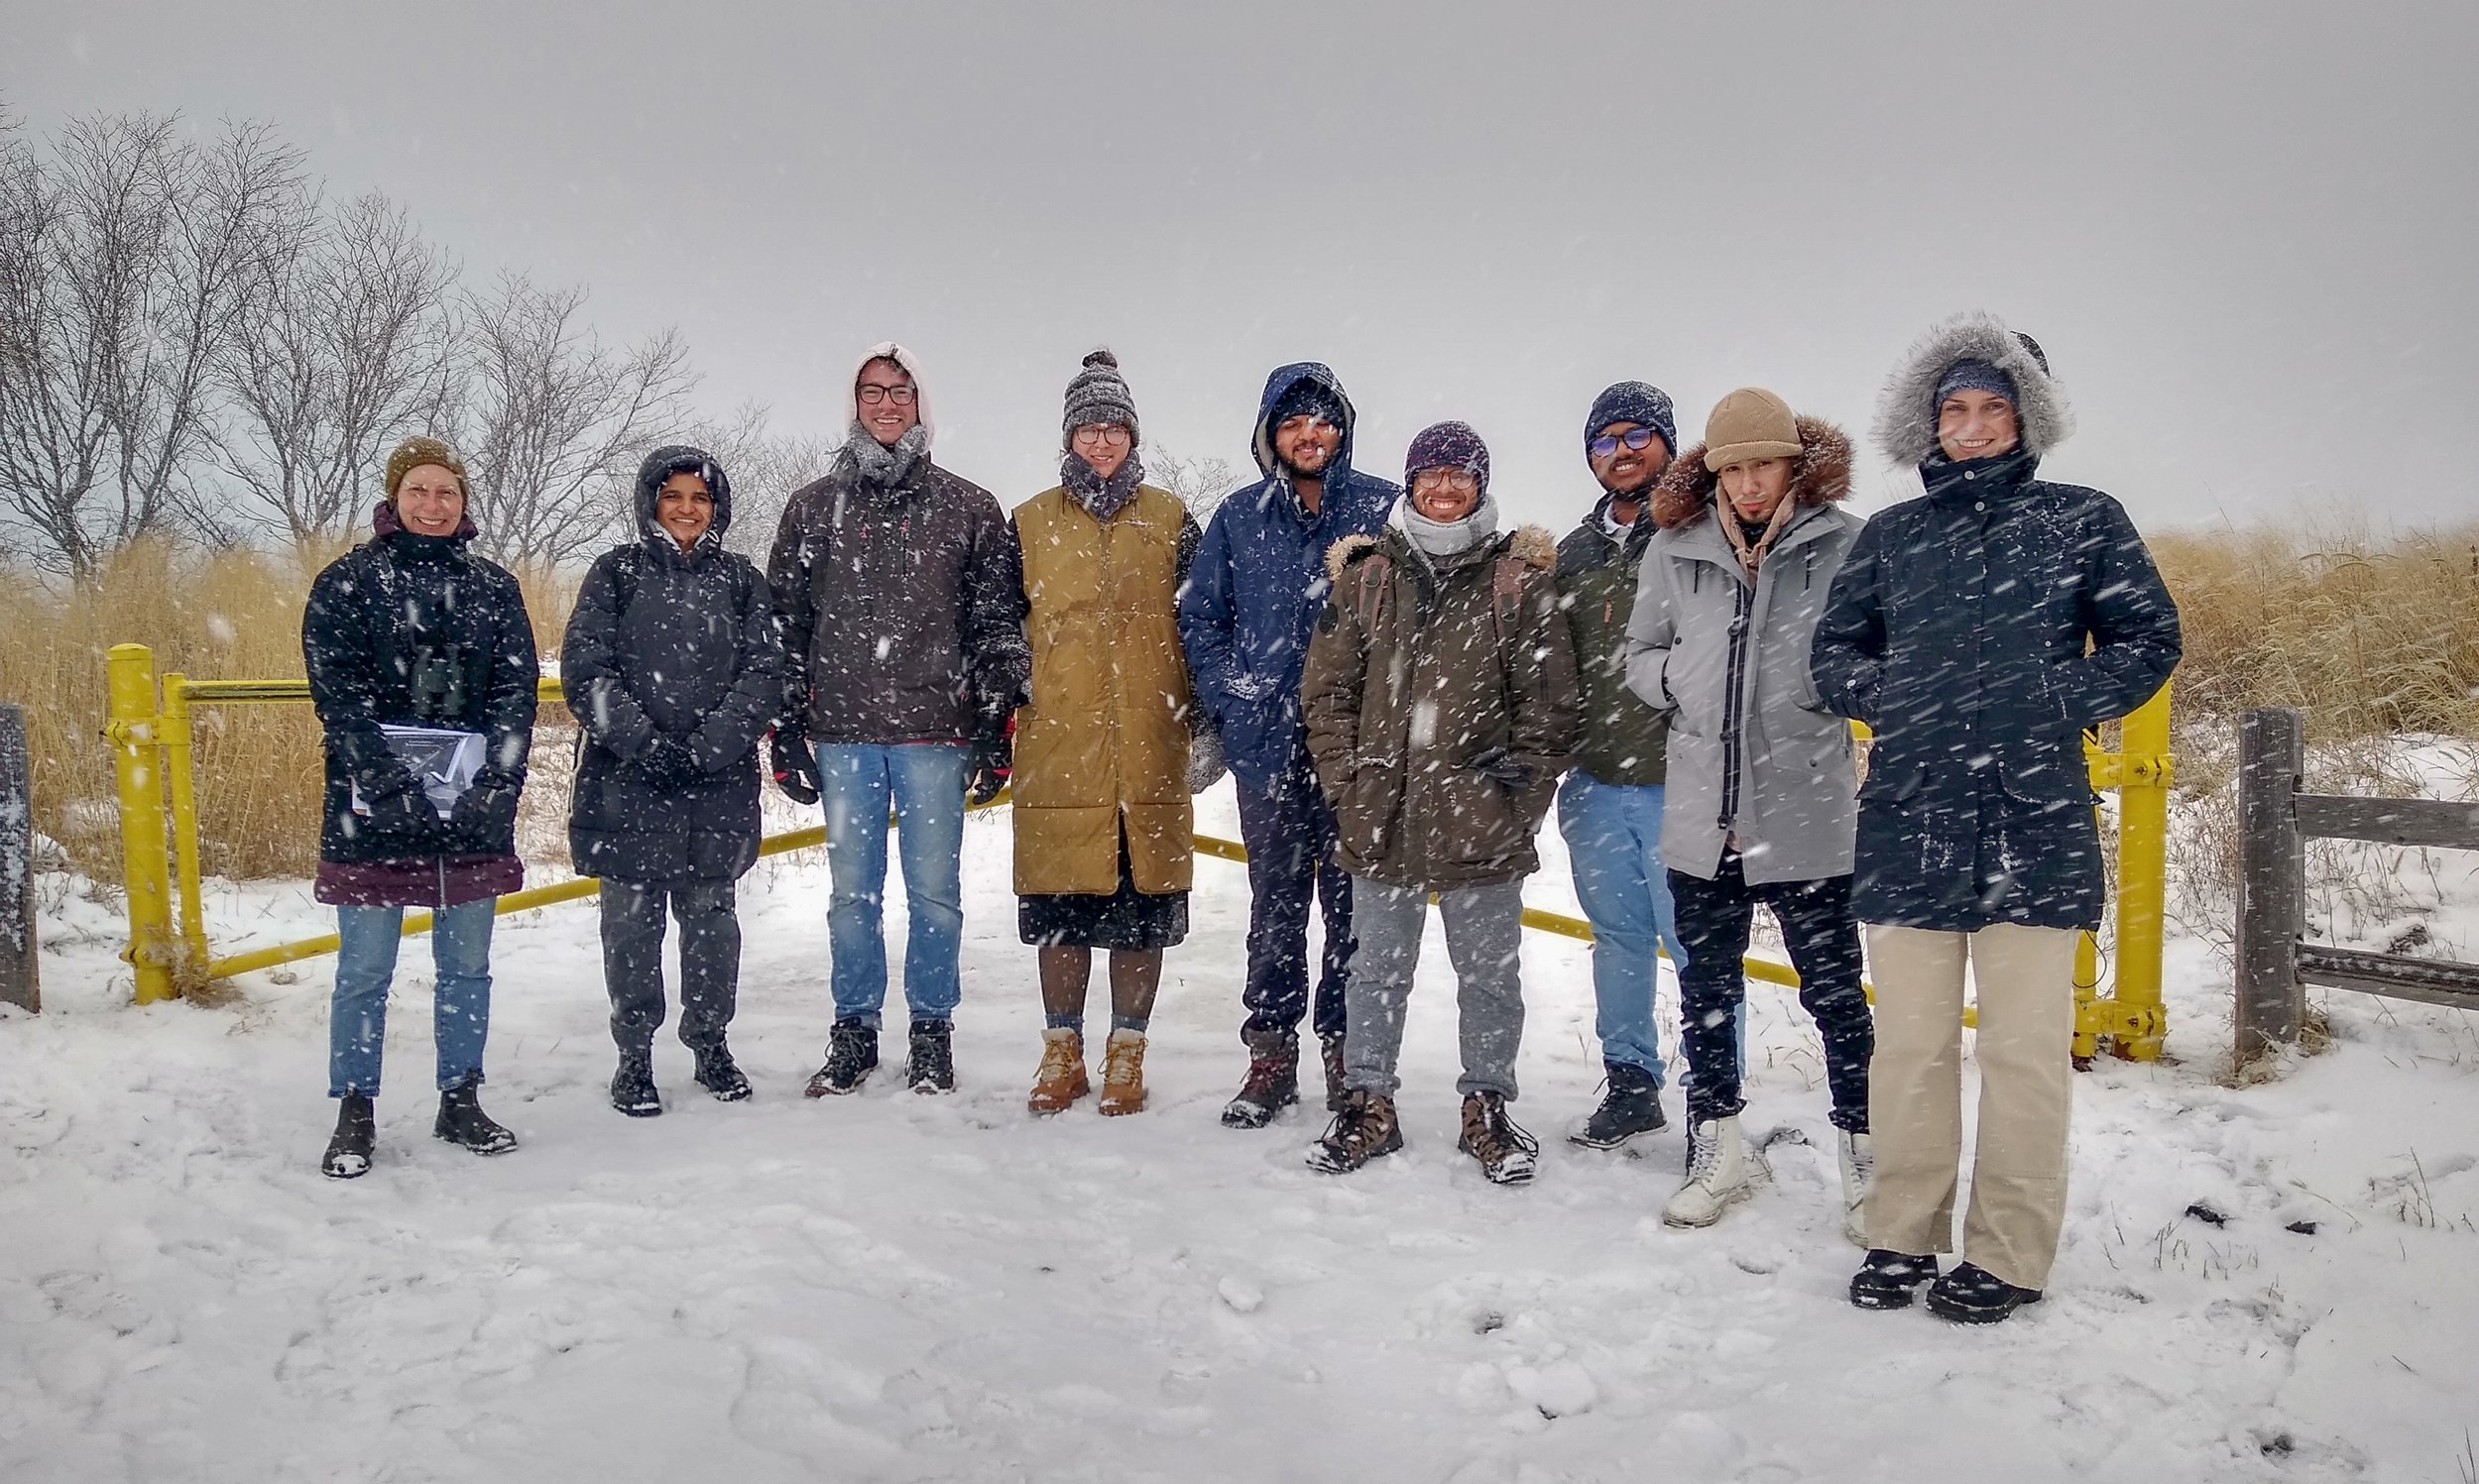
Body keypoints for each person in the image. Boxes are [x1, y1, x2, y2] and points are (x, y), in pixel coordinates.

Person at [1815, 314, 2180, 1322]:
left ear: (2027, 419)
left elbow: (2150, 635)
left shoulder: (2084, 521)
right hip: (1909, 823)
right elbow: (1833, 654)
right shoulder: (1891, 538)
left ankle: (2010, 1254)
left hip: (2035, 822)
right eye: (1954, 411)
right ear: (1925, 424)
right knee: (1911, 1048)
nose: (1971, 428)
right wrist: (1893, 696)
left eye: (1991, 409)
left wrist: (2057, 699)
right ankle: (1901, 1235)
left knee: (2022, 1054)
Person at [1300, 421, 1579, 1184]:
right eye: (1431, 474)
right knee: (1375, 971)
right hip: (1381, 816)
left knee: (1489, 975)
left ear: (1480, 484)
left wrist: (1513, 799)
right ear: (1411, 484)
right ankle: (1369, 1104)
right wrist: (1350, 788)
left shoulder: (1518, 580)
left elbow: (1550, 709)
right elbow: (1326, 695)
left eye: (1460, 474)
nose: (1445, 487)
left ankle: (1485, 1105)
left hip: (1479, 818)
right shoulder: (1368, 578)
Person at [1624, 389, 1873, 1239]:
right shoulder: (1675, 544)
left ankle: (1865, 1156)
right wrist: (1683, 684)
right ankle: (1720, 1145)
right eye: (1734, 467)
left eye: (1765, 463)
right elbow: (1640, 652)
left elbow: (1873, 651)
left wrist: (1815, 693)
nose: (1750, 483)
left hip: (1805, 804)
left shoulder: (1844, 542)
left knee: (1836, 994)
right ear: (1715, 472)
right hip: (1704, 810)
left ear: (1794, 464)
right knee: (1707, 992)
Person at [767, 343, 1030, 1096]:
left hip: (934, 732)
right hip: (844, 730)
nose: (887, 404)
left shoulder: (968, 507)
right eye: (872, 391)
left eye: (901, 391)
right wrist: (786, 726)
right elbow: (784, 622)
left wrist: (993, 721)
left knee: (934, 892)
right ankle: (853, 1028)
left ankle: (931, 1031)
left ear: (922, 403)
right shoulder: (815, 507)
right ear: (853, 403)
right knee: (853, 893)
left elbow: (994, 623)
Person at [302, 435, 536, 1178]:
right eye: (419, 491)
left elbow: (514, 693)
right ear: (394, 498)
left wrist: (496, 784)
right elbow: (338, 697)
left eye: (447, 493)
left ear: (464, 504)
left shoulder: (494, 589)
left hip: (470, 812)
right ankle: (355, 1108)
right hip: (370, 812)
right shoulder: (347, 582)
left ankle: (459, 1095)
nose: (432, 506)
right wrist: (391, 783)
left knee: (466, 965)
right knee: (364, 968)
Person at [1177, 364, 1399, 1128]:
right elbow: (1200, 618)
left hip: (1356, 756)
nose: (1310, 434)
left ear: (1343, 428)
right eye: (1293, 422)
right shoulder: (1240, 516)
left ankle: (1344, 1052)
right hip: (1267, 750)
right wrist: (1232, 697)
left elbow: (1416, 622)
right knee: (1274, 908)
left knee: (1352, 912)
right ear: (1271, 433)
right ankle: (1271, 1055)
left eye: (1324, 420)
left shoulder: (1381, 509)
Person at [1008, 351, 1209, 1117]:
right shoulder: (1027, 522)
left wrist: (1208, 725)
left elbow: (1201, 628)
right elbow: (999, 631)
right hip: (1059, 753)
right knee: (1062, 912)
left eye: (1114, 427)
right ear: (1069, 436)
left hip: (1149, 749)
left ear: (1132, 435)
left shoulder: (1170, 520)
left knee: (1140, 906)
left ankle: (1126, 1054)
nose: (1101, 440)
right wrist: (1009, 713)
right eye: (1088, 427)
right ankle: (1061, 1054)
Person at [563, 445, 785, 1116]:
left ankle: (710, 1040)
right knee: (631, 928)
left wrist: (707, 746)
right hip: (629, 783)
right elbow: (587, 669)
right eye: (674, 497)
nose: (687, 509)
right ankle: (634, 1054)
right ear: (650, 502)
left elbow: (764, 674)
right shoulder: (615, 576)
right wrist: (644, 744)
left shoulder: (742, 582)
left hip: (714, 786)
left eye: (700, 499)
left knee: (712, 922)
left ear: (716, 509)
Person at [1556, 381, 1693, 1149]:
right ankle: (1631, 1080)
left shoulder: (1700, 532)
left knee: (1698, 945)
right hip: (1598, 783)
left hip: (1686, 783)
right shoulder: (1572, 552)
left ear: (1667, 443)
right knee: (1618, 938)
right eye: (1604, 440)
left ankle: (1716, 1092)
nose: (1622, 451)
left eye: (1637, 434)